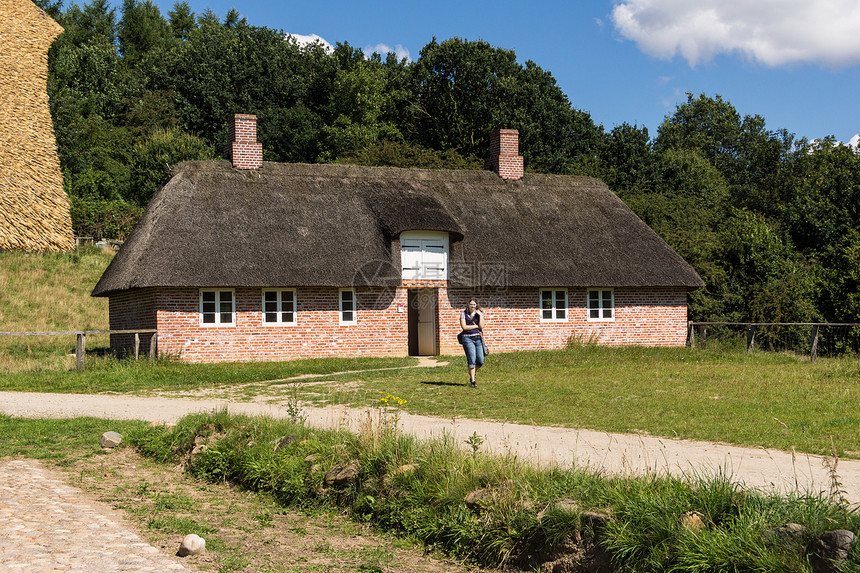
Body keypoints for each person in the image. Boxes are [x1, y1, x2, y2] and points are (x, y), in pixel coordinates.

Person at [458, 299, 485, 388]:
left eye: (474, 304)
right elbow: (464, 327)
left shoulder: (479, 314)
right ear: (468, 305)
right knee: (472, 360)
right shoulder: (463, 313)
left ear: (476, 305)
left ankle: (472, 373)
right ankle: (473, 380)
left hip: (478, 339)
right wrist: (476, 326)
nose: (473, 306)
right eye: (471, 304)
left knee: (480, 361)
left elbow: (482, 326)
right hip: (467, 338)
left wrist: (480, 315)